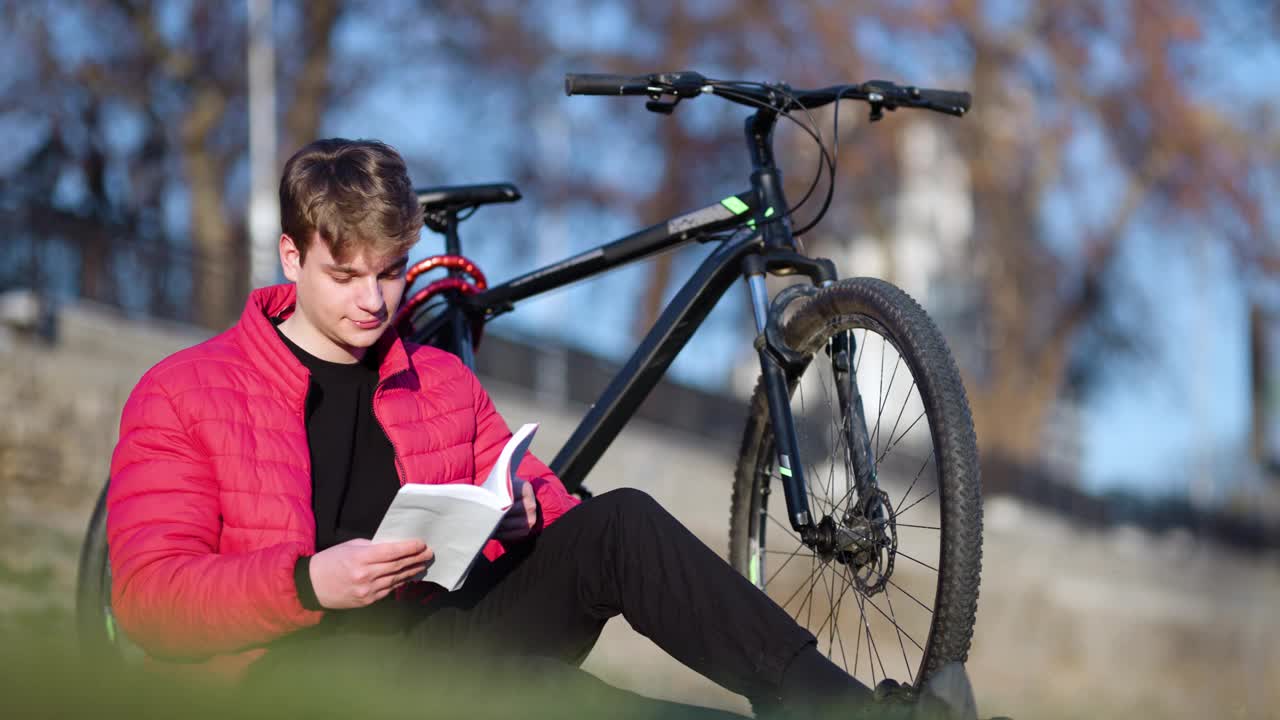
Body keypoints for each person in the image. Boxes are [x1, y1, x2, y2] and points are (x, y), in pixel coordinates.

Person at [107, 138, 979, 719]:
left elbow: (558, 518)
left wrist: (520, 518)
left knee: (620, 520)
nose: (374, 302)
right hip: (292, 682)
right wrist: (307, 583)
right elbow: (149, 602)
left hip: (448, 648)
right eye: (345, 276)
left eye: (392, 274)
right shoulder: (187, 392)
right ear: (291, 257)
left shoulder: (436, 379)